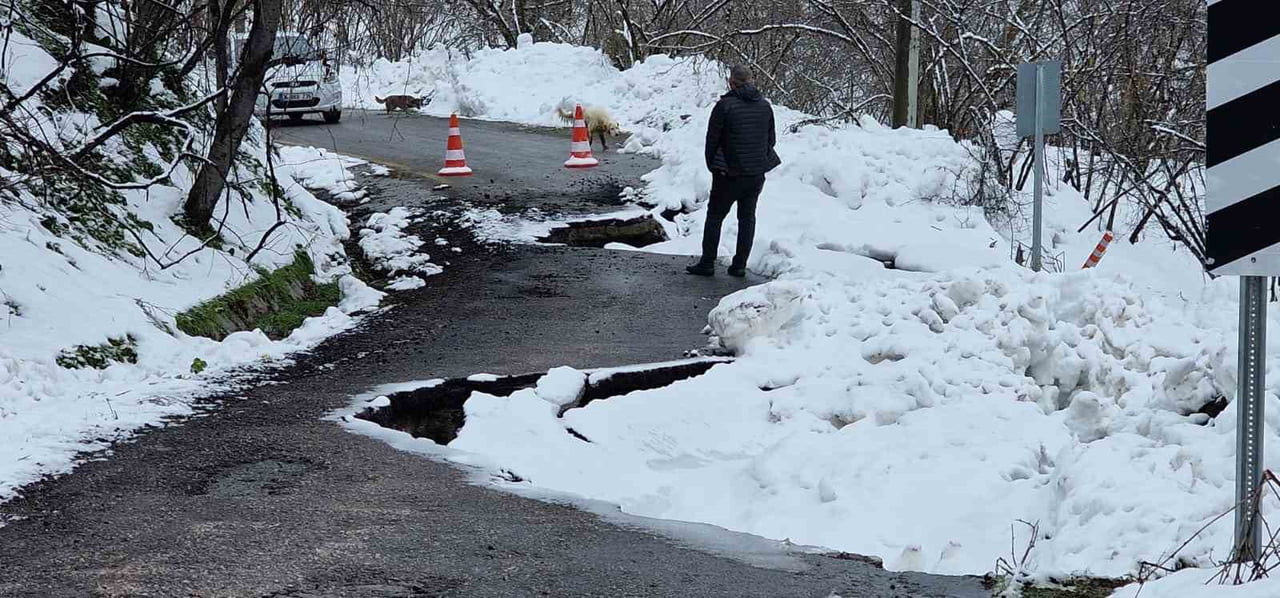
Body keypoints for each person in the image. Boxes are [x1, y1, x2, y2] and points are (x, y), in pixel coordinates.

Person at [686, 65, 781, 277]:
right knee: (747, 218)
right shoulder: (765, 106)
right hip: (755, 174)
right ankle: (739, 265)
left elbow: (712, 140)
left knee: (715, 216)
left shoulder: (724, 106)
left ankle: (707, 263)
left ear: (731, 82)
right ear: (751, 80)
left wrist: (713, 166)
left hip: (728, 173)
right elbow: (771, 140)